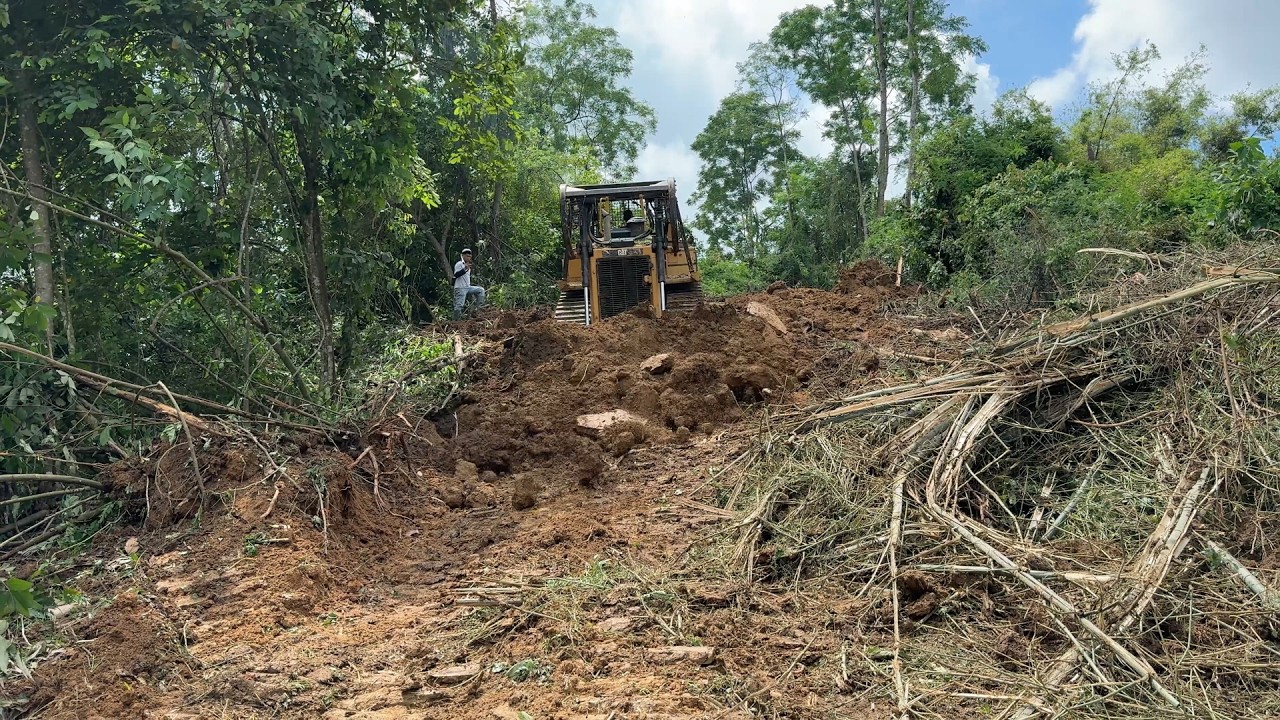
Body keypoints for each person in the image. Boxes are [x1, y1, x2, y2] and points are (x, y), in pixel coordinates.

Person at [452, 248, 485, 319]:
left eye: (470, 256)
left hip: (467, 287)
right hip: (460, 288)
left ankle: (479, 309)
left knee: (480, 290)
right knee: (459, 305)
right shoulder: (459, 264)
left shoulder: (468, 265)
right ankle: (456, 320)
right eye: (467, 256)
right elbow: (456, 275)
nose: (469, 258)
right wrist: (464, 269)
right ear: (463, 256)